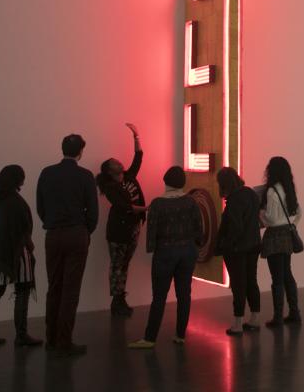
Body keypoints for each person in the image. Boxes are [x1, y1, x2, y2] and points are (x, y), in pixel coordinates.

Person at [36, 134, 98, 358]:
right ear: (80, 152)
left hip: (53, 235)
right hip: (76, 234)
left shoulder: (47, 173)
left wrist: (51, 223)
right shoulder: (85, 176)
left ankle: (51, 338)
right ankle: (64, 340)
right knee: (70, 290)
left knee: (54, 287)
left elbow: (40, 206)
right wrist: (84, 231)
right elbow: (93, 212)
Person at [129, 166, 205, 349]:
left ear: (166, 182)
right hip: (187, 251)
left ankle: (150, 338)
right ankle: (180, 335)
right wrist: (196, 245)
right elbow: (199, 228)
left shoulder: (157, 204)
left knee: (159, 296)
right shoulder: (191, 202)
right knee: (184, 294)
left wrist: (152, 249)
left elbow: (152, 233)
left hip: (165, 252)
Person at [0, 165, 42, 348]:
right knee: (22, 292)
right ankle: (21, 335)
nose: (24, 179)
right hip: (18, 253)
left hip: (0, 253)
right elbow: (23, 229)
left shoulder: (0, 199)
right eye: (22, 177)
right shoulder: (15, 201)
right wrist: (29, 247)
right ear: (17, 179)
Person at [96, 123, 147, 317]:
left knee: (124, 265)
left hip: (133, 228)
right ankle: (117, 301)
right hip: (118, 231)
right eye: (114, 162)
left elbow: (138, 158)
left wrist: (136, 135)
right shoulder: (110, 187)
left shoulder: (128, 176)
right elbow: (126, 208)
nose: (119, 162)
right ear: (109, 170)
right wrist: (149, 208)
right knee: (117, 265)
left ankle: (120, 299)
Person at [214, 166, 261, 336]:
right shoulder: (251, 194)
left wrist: (226, 244)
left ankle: (238, 323)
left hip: (237, 249)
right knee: (251, 281)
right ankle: (255, 318)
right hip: (254, 245)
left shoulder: (234, 201)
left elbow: (235, 228)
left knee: (238, 284)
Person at [259, 156, 302, 328]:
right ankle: (294, 311)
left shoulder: (271, 192)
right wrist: (291, 224)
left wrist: (260, 213)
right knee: (287, 274)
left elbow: (271, 218)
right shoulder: (289, 188)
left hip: (274, 236)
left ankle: (278, 316)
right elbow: (299, 212)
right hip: (287, 235)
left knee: (277, 277)